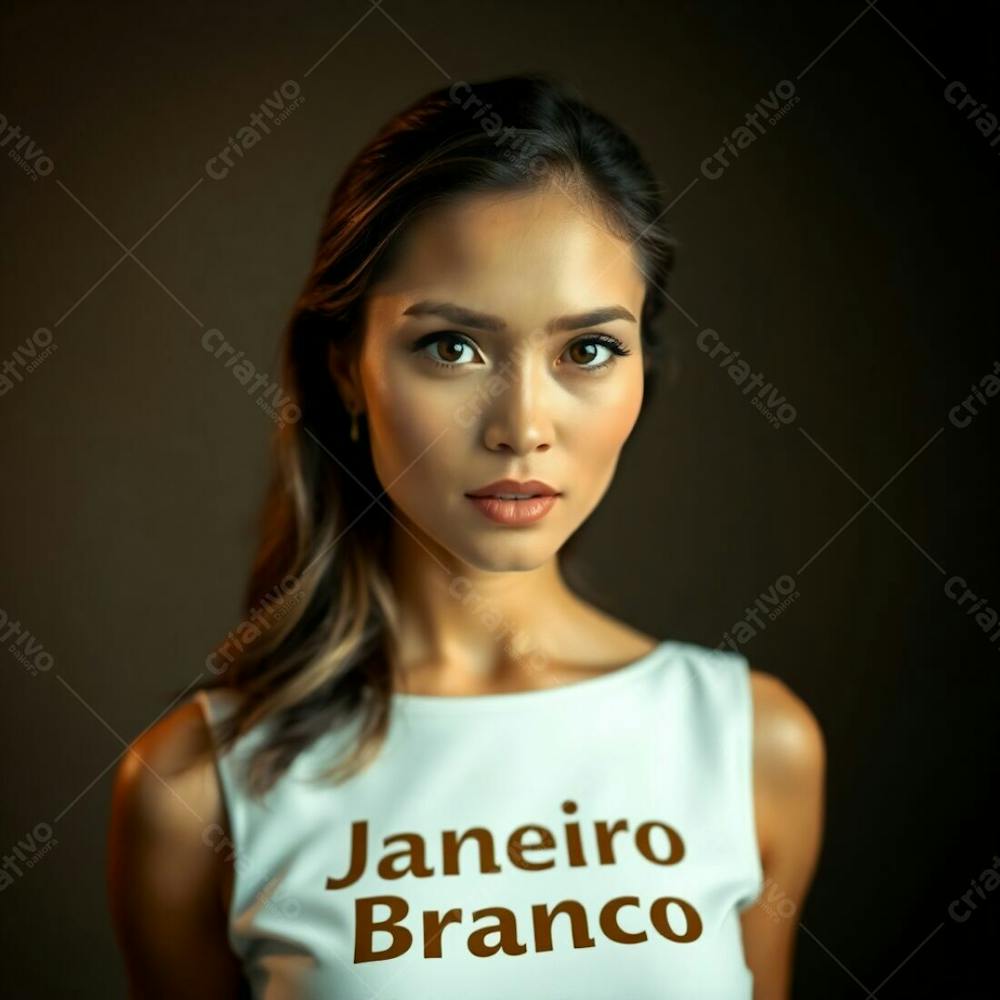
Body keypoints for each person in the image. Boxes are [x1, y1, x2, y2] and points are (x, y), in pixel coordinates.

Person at [107, 73, 825, 999]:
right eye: (453, 347)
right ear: (344, 370)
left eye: (589, 349)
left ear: (645, 362)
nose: (522, 425)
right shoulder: (196, 789)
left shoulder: (753, 746)